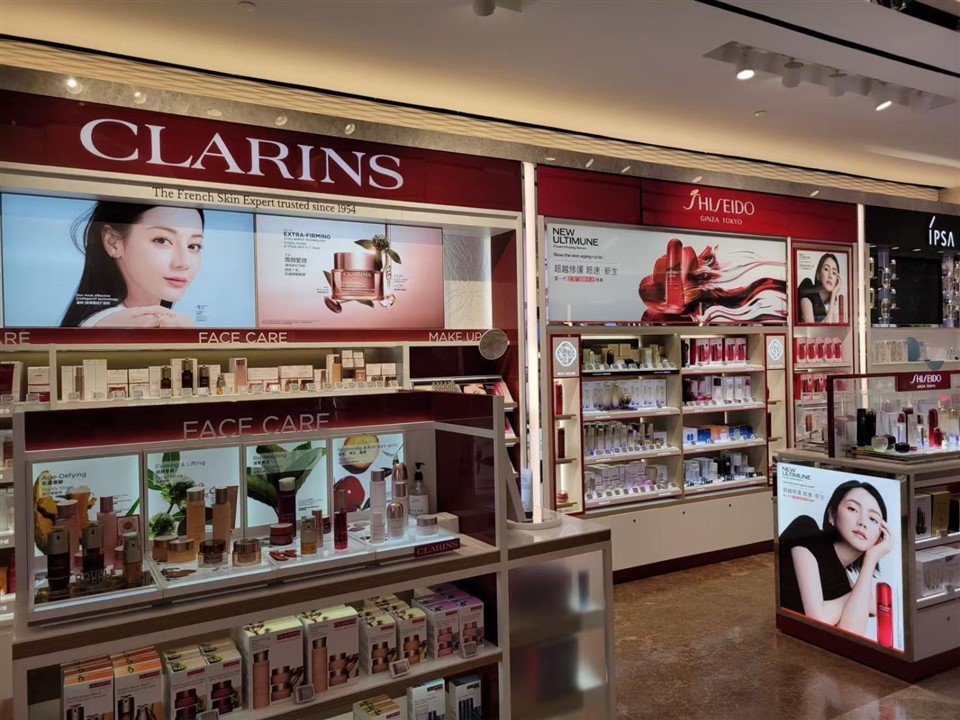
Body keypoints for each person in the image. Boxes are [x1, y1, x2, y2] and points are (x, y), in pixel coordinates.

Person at [779, 480, 893, 640]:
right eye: (852, 509)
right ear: (832, 515)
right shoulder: (805, 530)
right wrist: (856, 596)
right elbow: (817, 619)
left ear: (879, 537)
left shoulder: (843, 582)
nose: (862, 522)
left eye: (873, 519)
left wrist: (871, 559)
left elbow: (850, 634)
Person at [60, 202, 204, 327]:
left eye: (193, 246)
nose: (184, 263)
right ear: (113, 242)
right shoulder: (121, 326)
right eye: (162, 240)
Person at [797, 252, 842, 323]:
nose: (830, 275)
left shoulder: (829, 312)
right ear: (818, 274)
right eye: (826, 269)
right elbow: (813, 329)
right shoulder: (807, 299)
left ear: (837, 279)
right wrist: (833, 294)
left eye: (834, 273)